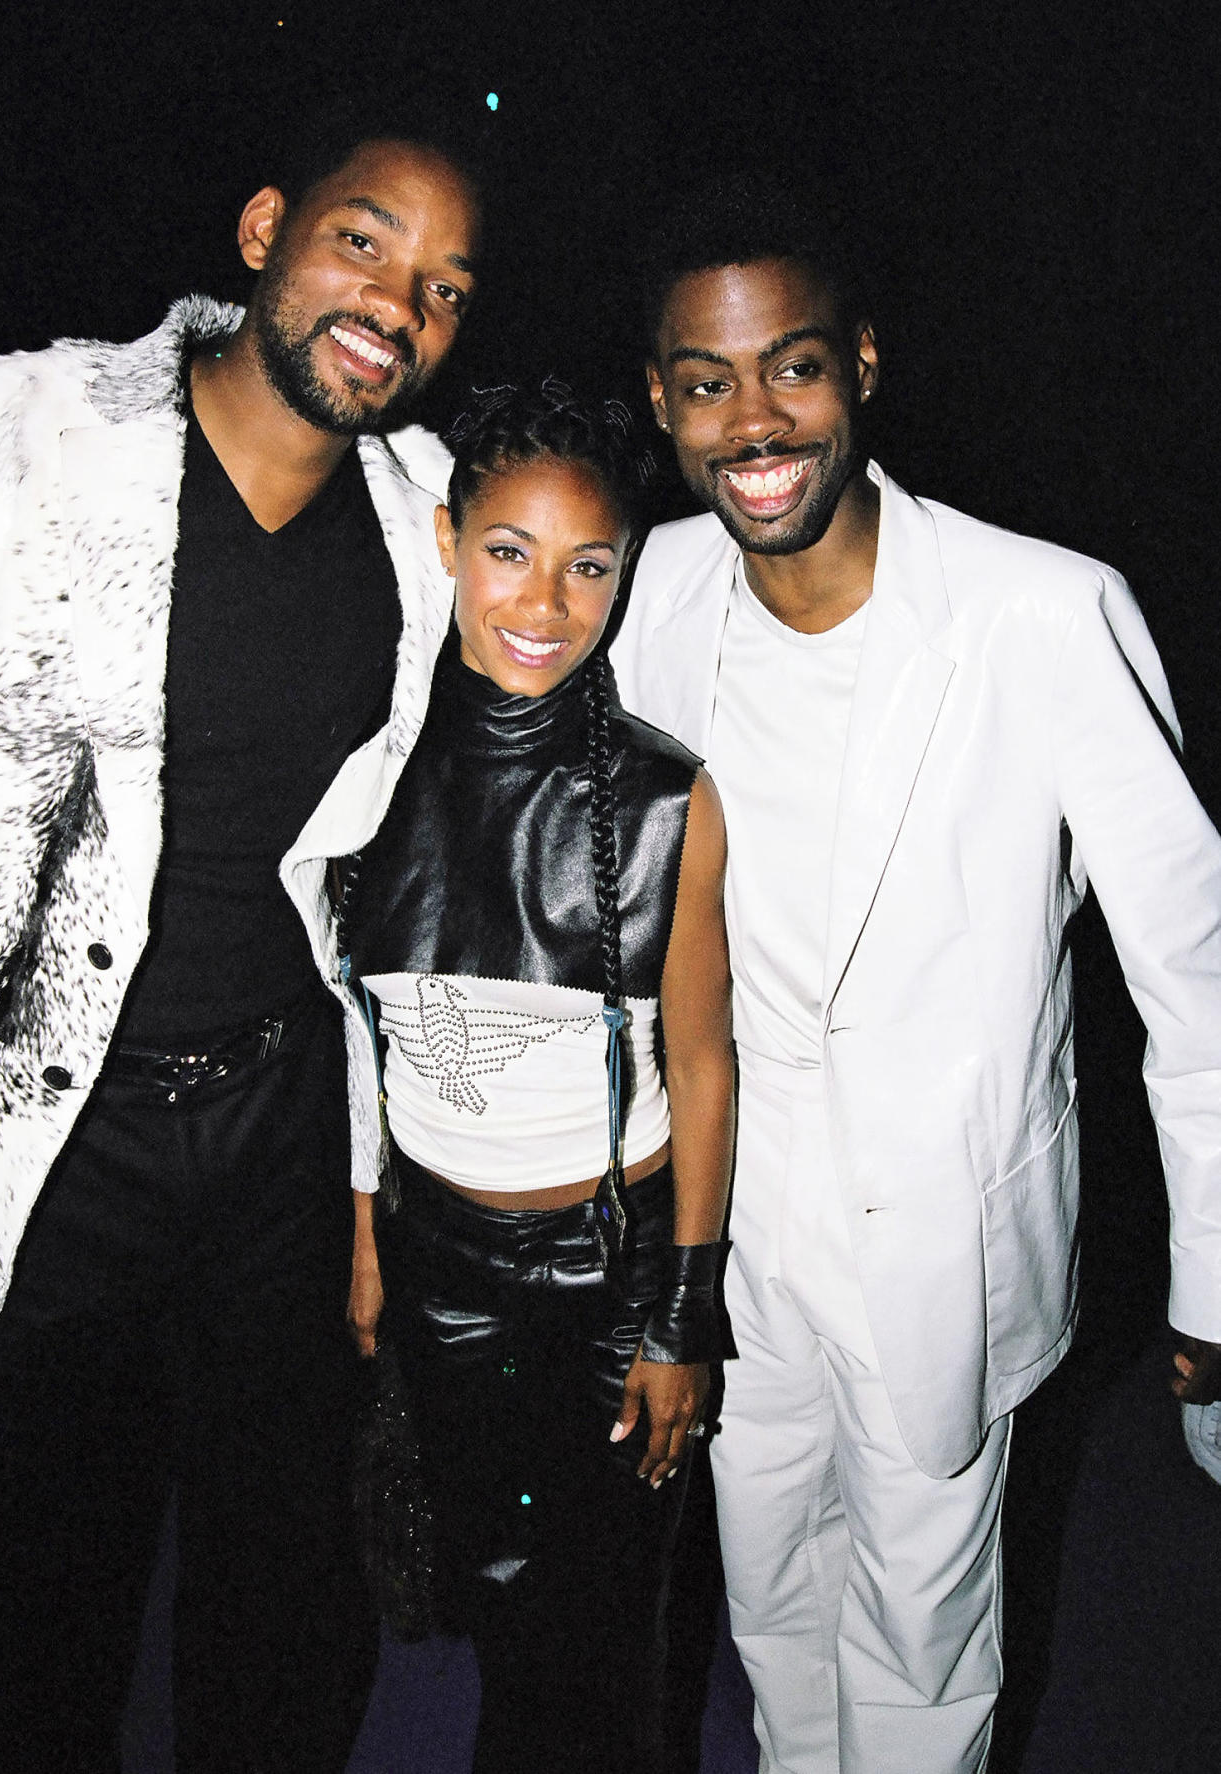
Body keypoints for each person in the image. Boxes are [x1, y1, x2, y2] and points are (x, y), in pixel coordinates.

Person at [607, 173, 1221, 1774]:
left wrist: (1212, 1280)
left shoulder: (1041, 610)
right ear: (660, 406)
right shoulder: (647, 592)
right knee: (770, 1601)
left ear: (861, 365)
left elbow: (1192, 974)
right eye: (703, 382)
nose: (752, 420)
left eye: (790, 366)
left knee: (923, 1634)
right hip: (731, 1226)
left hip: (942, 1230)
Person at [0, 116, 480, 1772]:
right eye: (363, 242)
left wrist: (361, 1183)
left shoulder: (427, 531)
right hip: (58, 1137)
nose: (398, 304)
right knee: (47, 1603)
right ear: (266, 228)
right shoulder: (29, 431)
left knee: (281, 1612)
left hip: (274, 1126)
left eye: (444, 288)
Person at [281, 382, 736, 1773]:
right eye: (507, 551)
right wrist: (367, 1228)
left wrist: (680, 1318)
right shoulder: (363, 778)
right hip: (437, 1261)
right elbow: (363, 1030)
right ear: (445, 539)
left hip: (612, 1268)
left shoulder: (668, 797)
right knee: (482, 1582)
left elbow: (706, 1064)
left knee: (602, 1617)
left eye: (588, 562)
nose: (544, 599)